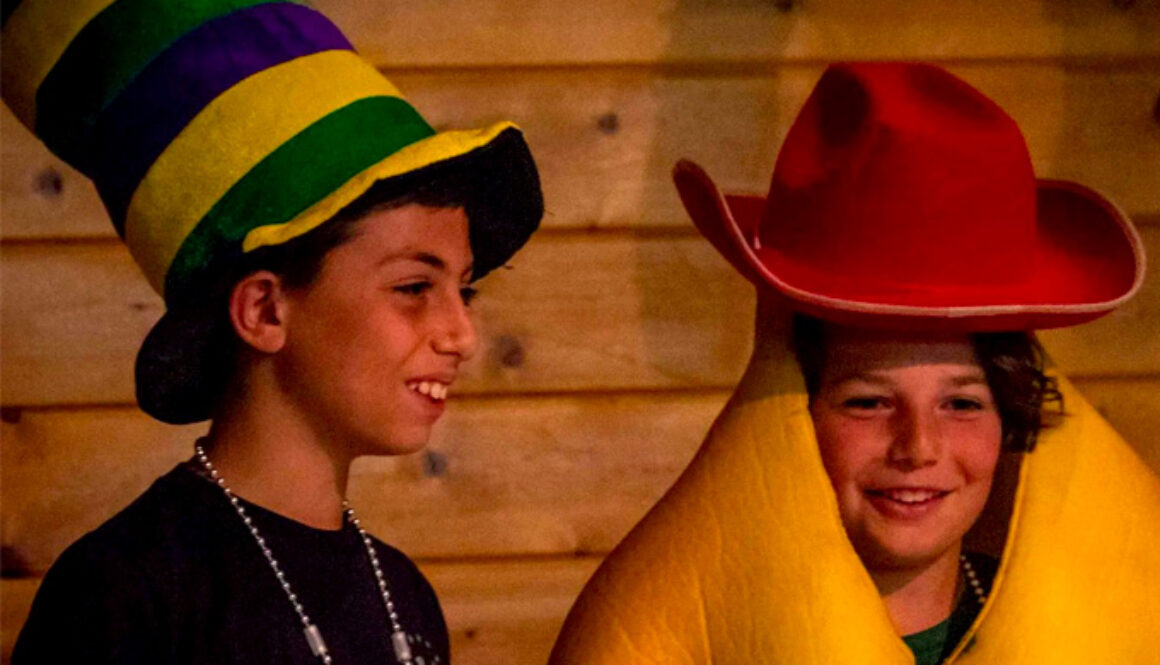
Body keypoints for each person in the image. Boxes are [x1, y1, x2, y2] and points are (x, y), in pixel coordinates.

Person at [549, 62, 1159, 664]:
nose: (918, 447)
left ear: (1011, 421)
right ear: (789, 413)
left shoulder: (1114, 625)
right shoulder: (667, 634)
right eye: (868, 402)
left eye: (963, 403)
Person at [3, 2, 542, 663]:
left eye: (464, 291)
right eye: (413, 288)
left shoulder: (402, 595)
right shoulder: (128, 591)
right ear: (264, 310)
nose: (461, 335)